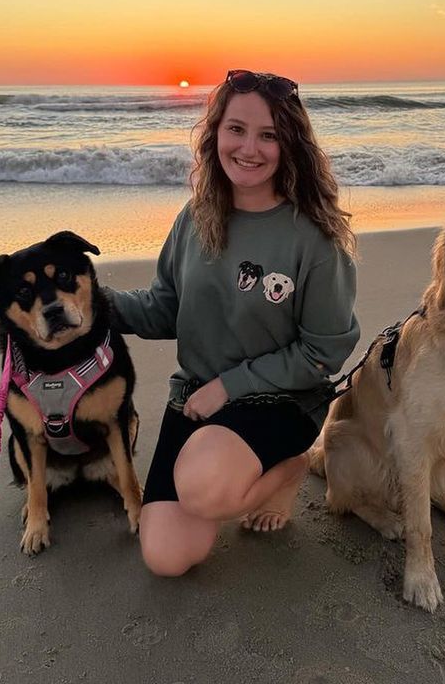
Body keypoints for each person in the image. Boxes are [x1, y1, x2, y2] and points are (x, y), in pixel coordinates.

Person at [105, 69, 360, 577]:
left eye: (269, 135)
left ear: (291, 145)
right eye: (236, 129)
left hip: (282, 400)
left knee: (204, 488)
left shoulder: (314, 238)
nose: (250, 148)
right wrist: (94, 303)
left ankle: (287, 470)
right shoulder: (195, 217)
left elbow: (323, 354)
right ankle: (223, 476)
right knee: (166, 557)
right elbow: (162, 307)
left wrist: (230, 386)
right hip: (197, 400)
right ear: (215, 133)